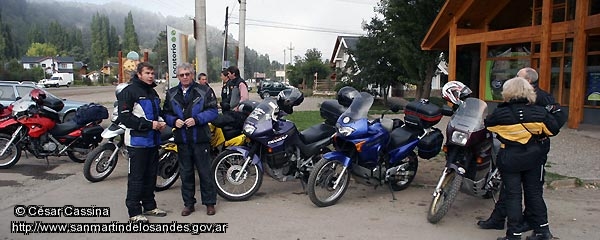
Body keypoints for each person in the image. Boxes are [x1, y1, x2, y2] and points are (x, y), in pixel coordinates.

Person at [478, 67, 566, 235]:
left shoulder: (502, 113)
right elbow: (553, 129)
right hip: (534, 155)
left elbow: (490, 126)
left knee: (513, 195)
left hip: (512, 156)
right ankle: (542, 231)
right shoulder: (540, 112)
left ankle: (514, 233)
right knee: (533, 193)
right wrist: (538, 135)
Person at [163, 63, 219, 216]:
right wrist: (173, 121)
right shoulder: (172, 93)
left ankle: (209, 203)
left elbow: (213, 111)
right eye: (182, 75)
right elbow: (166, 113)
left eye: (187, 74)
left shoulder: (204, 90)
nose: (185, 77)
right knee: (186, 173)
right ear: (178, 76)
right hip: (182, 140)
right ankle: (189, 204)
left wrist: (197, 119)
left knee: (205, 173)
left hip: (200, 139)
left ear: (192, 74)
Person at [117, 62, 167, 223]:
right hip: (137, 143)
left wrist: (160, 121)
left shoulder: (152, 92)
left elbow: (156, 113)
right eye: (147, 73)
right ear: (139, 74)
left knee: (151, 176)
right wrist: (149, 125)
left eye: (152, 73)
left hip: (153, 142)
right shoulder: (128, 92)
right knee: (136, 178)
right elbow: (125, 117)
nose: (151, 76)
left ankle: (150, 206)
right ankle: (134, 212)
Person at [212, 66, 249, 130]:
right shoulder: (232, 83)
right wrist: (223, 104)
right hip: (231, 111)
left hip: (238, 113)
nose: (228, 75)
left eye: (229, 73)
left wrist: (237, 108)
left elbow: (244, 98)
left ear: (233, 74)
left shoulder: (240, 83)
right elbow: (230, 97)